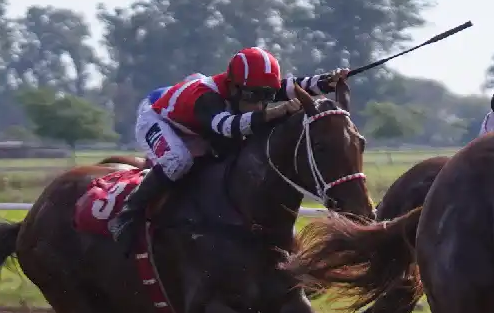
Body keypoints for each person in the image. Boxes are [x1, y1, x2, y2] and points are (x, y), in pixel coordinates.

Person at [107, 46, 347, 255]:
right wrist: (275, 111)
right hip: (158, 117)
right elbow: (227, 127)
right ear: (233, 87)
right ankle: (128, 213)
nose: (260, 103)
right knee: (178, 161)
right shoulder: (206, 98)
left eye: (267, 96)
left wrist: (328, 80)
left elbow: (295, 86)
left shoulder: (250, 84)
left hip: (194, 121)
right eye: (253, 96)